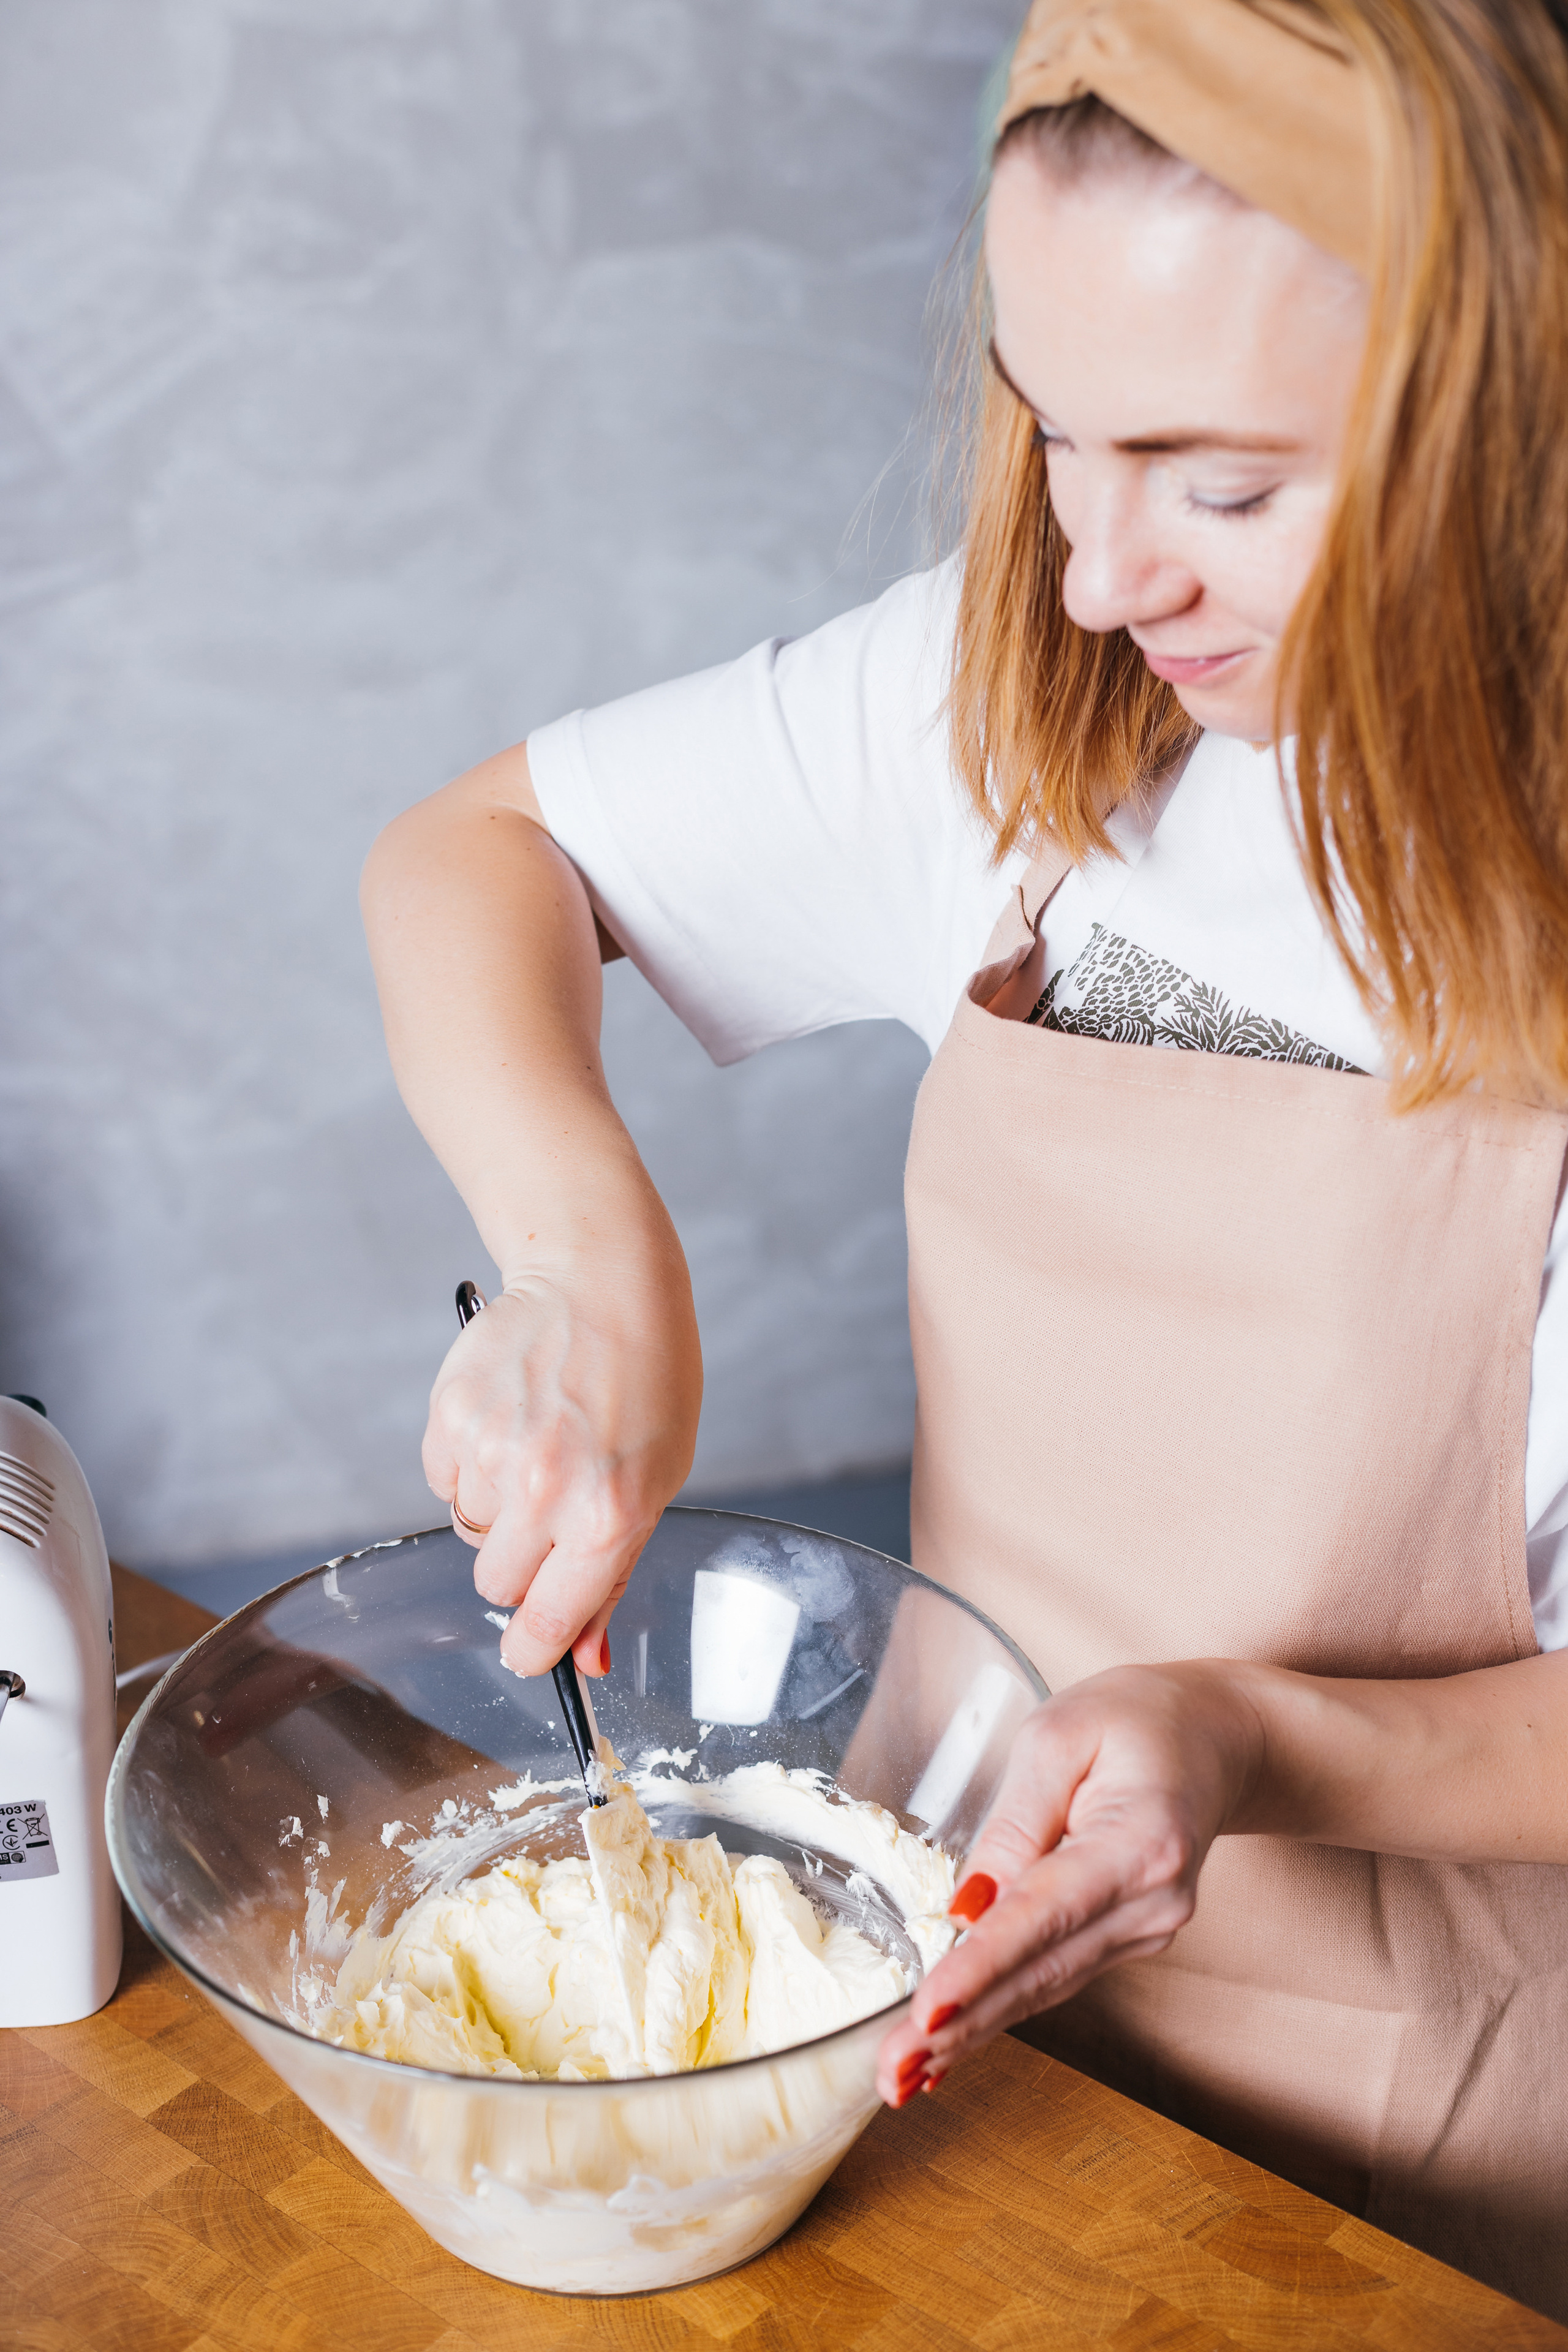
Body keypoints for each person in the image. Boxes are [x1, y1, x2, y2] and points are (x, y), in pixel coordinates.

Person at [361, 0, 1568, 2313]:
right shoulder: (1032, 704)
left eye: (1222, 484)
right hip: (932, 2032)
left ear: (1501, 423)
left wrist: (1242, 1735)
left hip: (1425, 2158)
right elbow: (476, 854)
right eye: (1055, 437)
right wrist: (590, 1259)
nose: (1107, 574)